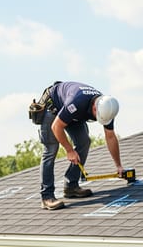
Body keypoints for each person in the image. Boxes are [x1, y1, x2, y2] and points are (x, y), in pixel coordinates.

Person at [38, 81, 125, 210]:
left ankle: (71, 187)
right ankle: (46, 197)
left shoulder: (108, 107)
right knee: (51, 149)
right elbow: (56, 126)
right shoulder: (77, 101)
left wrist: (118, 165)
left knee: (84, 142)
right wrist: (69, 150)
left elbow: (110, 136)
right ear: (95, 108)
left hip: (74, 115)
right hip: (53, 108)